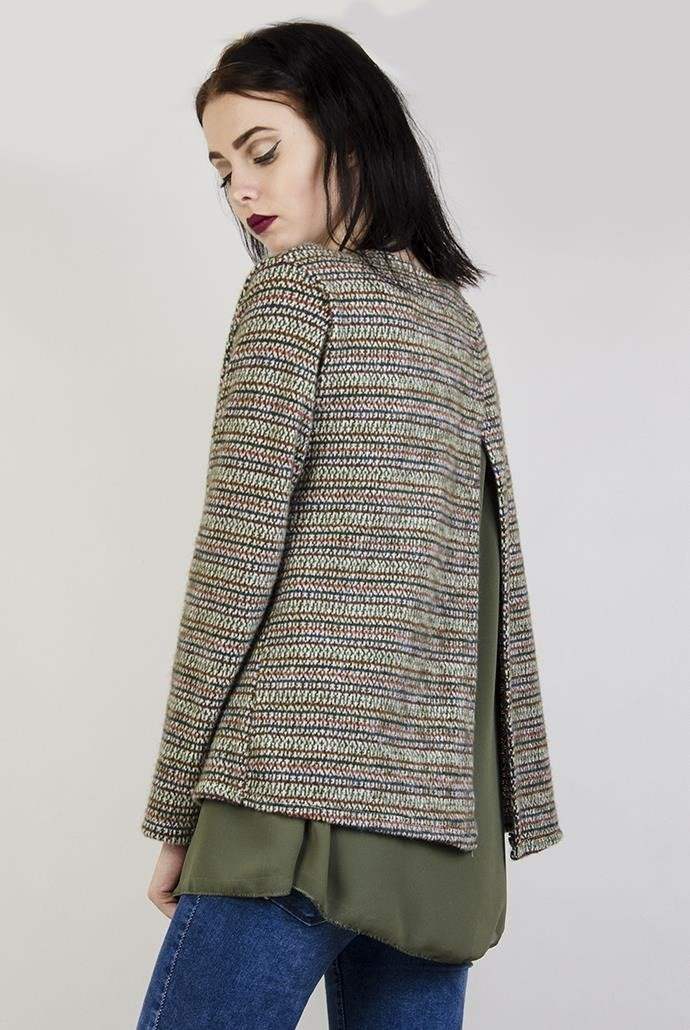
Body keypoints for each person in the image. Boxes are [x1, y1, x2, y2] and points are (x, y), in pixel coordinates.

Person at [135, 19, 563, 1030]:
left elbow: (234, 563)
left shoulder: (291, 293)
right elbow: (490, 591)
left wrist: (178, 809)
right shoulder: (452, 321)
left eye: (263, 151)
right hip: (437, 825)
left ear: (352, 136)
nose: (242, 190)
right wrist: (502, 798)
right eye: (222, 169)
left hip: (287, 803)